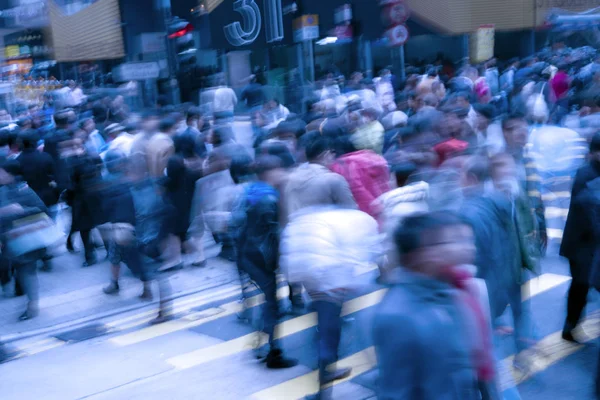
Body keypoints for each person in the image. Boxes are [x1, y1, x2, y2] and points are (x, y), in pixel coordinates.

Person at [373, 212, 498, 400]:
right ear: (421, 254)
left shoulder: (453, 289)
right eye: (453, 241)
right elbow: (396, 392)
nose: (465, 248)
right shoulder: (397, 316)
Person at [281, 203, 381, 399]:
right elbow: (368, 253)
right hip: (329, 270)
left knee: (325, 322)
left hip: (310, 271)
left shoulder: (302, 220)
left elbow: (291, 261)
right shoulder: (363, 220)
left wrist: (302, 289)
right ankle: (326, 380)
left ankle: (325, 373)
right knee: (330, 329)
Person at [230, 155, 298, 368]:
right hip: (261, 259)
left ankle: (264, 345)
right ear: (270, 172)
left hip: (247, 255)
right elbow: (274, 235)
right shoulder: (269, 199)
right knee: (272, 305)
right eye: (280, 170)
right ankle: (271, 351)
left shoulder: (251, 191)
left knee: (269, 303)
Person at [560, 132, 600, 342]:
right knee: (580, 286)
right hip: (582, 244)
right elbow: (588, 208)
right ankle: (570, 326)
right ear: (594, 153)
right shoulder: (585, 175)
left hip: (591, 243)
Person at [0, 160, 49, 321]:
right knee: (20, 271)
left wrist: (19, 210)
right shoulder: (4, 189)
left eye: (1, 172)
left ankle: (32, 305)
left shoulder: (24, 189)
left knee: (26, 271)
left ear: (10, 174)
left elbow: (42, 209)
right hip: (8, 240)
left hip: (24, 238)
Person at [285, 132, 356, 216]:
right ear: (325, 154)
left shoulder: (289, 176)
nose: (334, 155)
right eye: (333, 152)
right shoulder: (334, 179)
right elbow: (351, 211)